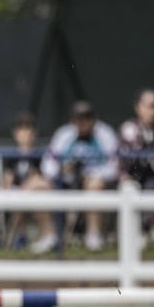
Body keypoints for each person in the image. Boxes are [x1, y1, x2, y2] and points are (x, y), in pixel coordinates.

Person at [30, 100, 119, 252]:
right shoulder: (64, 134)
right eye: (79, 118)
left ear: (93, 119)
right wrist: (61, 170)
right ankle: (50, 236)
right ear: (73, 120)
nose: (83, 122)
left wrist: (92, 173)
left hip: (93, 182)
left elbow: (115, 166)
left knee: (95, 185)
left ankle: (93, 235)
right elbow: (48, 163)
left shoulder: (105, 134)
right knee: (36, 186)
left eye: (87, 118)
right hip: (65, 182)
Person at [0, 111, 44, 247]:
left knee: (20, 198)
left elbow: (38, 175)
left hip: (34, 191)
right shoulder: (11, 155)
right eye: (21, 129)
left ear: (34, 132)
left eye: (27, 129)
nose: (24, 133)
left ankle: (24, 237)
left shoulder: (40, 155)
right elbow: (8, 177)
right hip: (16, 189)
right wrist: (6, 185)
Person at [118, 88, 154, 190]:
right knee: (127, 188)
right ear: (138, 107)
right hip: (133, 178)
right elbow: (120, 160)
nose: (153, 111)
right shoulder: (128, 129)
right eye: (149, 106)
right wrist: (122, 175)